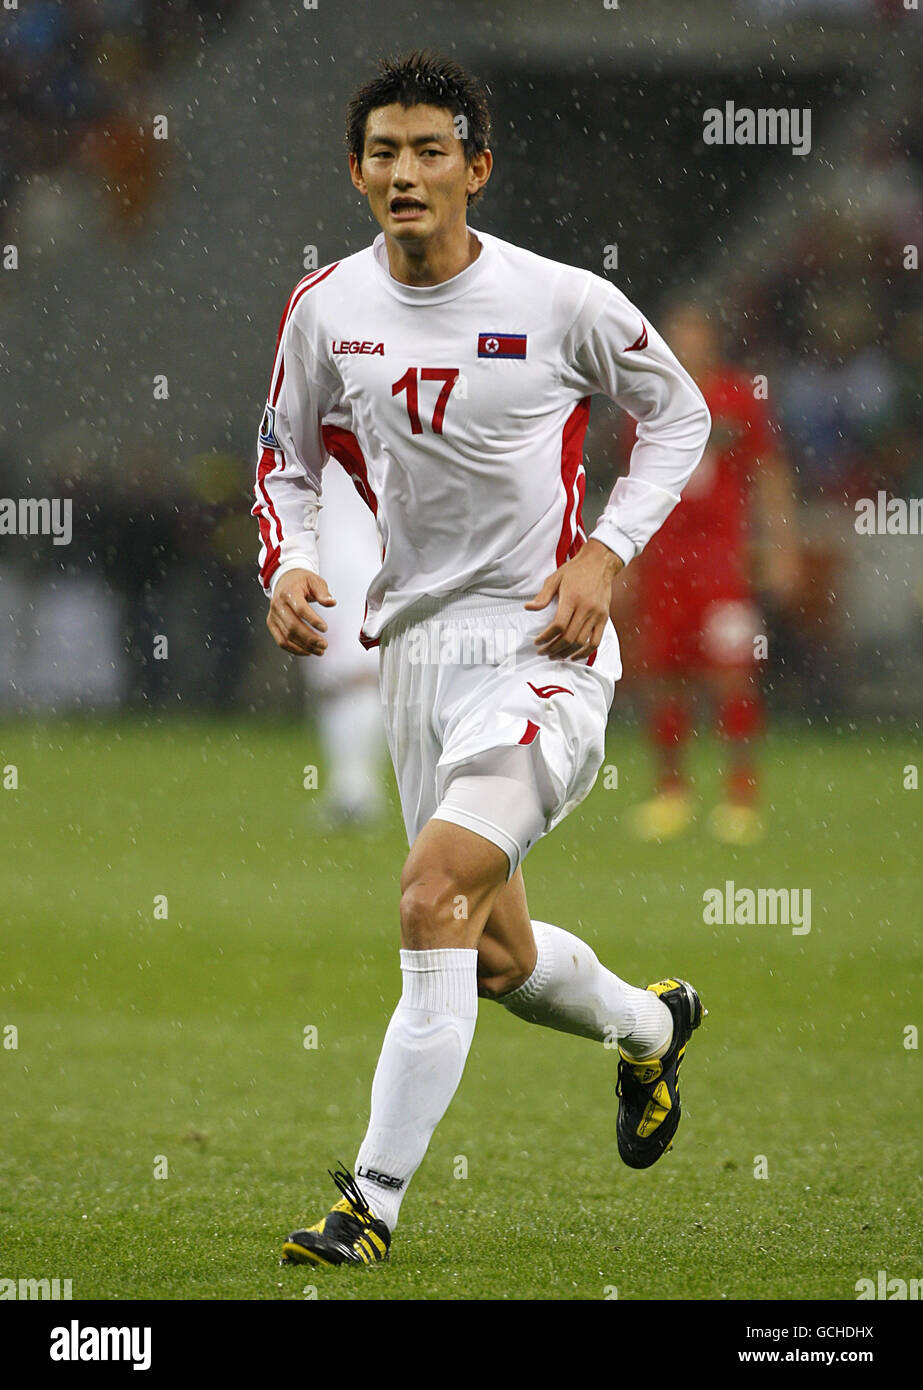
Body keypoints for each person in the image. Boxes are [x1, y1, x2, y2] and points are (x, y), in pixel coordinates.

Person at [252, 51, 712, 1269]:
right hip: (414, 656)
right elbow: (284, 464)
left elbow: (680, 414)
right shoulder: (325, 311)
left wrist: (604, 553)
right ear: (356, 172)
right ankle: (650, 1030)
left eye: (430, 151)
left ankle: (369, 1204)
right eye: (384, 153)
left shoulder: (561, 301)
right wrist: (290, 563)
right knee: (494, 955)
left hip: (541, 650)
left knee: (427, 894)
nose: (406, 172)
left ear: (476, 167)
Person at [618, 303, 802, 845]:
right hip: (664, 563)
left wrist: (782, 545)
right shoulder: (649, 398)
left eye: (696, 335)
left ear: (713, 341)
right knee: (663, 674)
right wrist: (624, 557)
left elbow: (769, 471)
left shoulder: (738, 397)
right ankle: (671, 792)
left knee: (732, 672)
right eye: (679, 335)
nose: (687, 343)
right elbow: (634, 483)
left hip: (723, 564)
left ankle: (741, 796)